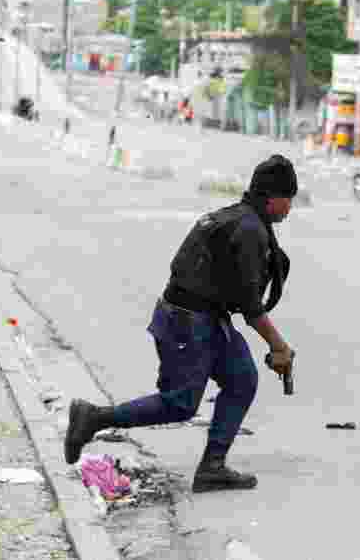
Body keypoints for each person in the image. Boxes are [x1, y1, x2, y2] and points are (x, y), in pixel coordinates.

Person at [64, 155, 298, 493]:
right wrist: (279, 346)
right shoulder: (248, 229)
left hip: (204, 318)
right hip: (188, 322)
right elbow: (250, 306)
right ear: (272, 197)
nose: (289, 208)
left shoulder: (236, 218)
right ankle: (94, 418)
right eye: (288, 199)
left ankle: (212, 468)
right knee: (180, 403)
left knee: (243, 377)